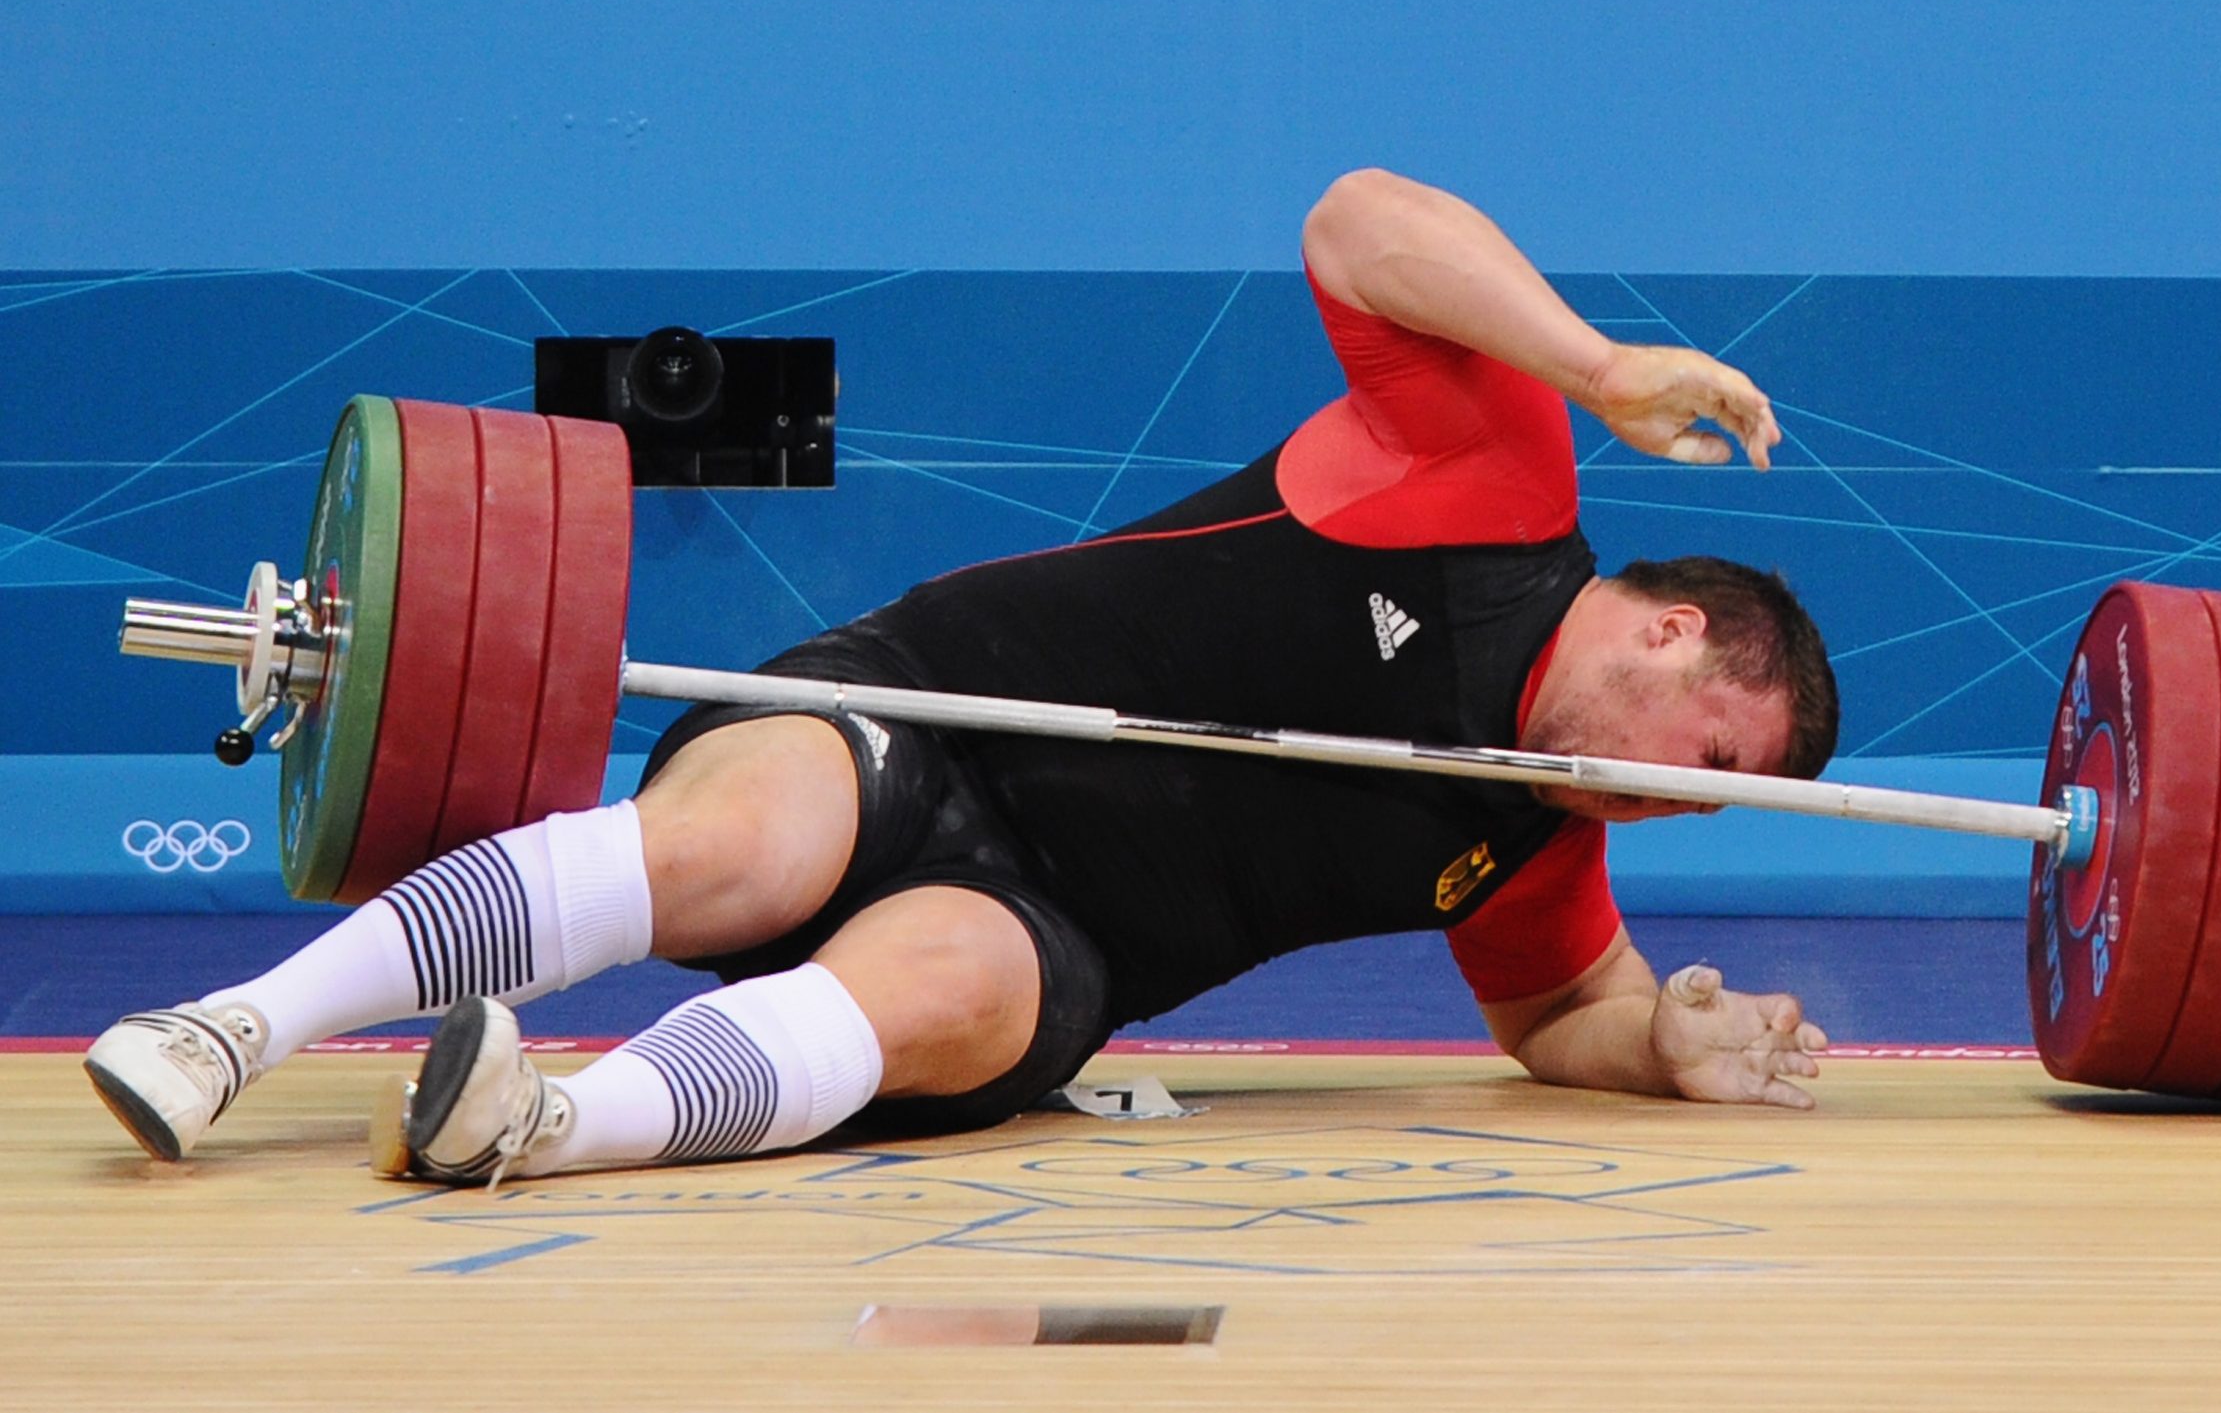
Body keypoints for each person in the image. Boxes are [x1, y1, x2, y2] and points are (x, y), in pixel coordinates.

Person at [84, 168, 1841, 1186]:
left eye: (1702, 804)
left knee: (947, 977)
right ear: (1670, 628)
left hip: (1048, 937)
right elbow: (1357, 219)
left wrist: (1666, 1052)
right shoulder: (1497, 481)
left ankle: (538, 1122)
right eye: (1694, 758)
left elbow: (1554, 1017)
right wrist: (1598, 359)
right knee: (745, 841)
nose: (1661, 802)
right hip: (916, 710)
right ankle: (237, 1026)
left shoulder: (1539, 841)